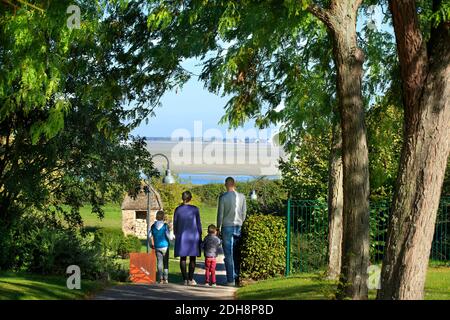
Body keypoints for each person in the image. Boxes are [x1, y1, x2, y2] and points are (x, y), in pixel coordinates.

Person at [217, 177, 247, 286]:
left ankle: (230, 280)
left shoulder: (223, 197)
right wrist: (240, 223)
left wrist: (218, 227)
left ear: (226, 184)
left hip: (227, 226)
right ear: (234, 184)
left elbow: (220, 214)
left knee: (228, 254)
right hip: (238, 226)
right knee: (236, 253)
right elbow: (244, 213)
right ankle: (237, 277)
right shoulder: (242, 197)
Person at [173, 191, 202, 286]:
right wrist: (200, 234)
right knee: (193, 258)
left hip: (182, 236)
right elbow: (198, 224)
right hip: (193, 236)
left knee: (183, 258)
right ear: (190, 198)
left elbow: (175, 224)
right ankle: (191, 278)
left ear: (182, 198)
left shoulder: (177, 210)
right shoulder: (195, 209)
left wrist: (176, 233)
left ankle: (185, 279)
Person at [149, 210, 174, 284]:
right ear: (163, 217)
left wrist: (151, 244)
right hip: (165, 246)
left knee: (159, 262)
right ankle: (166, 279)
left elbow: (149, 236)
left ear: (156, 217)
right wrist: (171, 231)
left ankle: (160, 279)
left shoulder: (153, 226)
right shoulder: (165, 226)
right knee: (165, 262)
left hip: (157, 246)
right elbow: (169, 237)